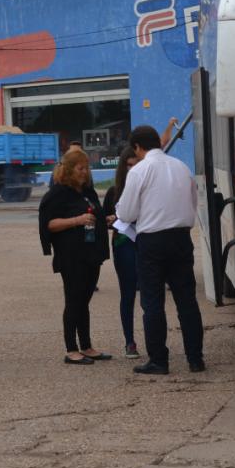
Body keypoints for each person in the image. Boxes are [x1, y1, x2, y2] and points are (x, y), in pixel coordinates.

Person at [115, 124, 204, 375]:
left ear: (137, 147)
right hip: (181, 238)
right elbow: (193, 203)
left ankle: (159, 360)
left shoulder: (139, 170)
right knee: (187, 300)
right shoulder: (181, 167)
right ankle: (195, 358)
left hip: (152, 241)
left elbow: (127, 212)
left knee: (153, 302)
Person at [38, 148, 111, 365]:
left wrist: (104, 219)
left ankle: (86, 345)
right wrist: (76, 221)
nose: (85, 172)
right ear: (69, 170)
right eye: (81, 168)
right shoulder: (57, 194)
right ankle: (71, 348)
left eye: (87, 168)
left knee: (84, 300)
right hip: (71, 256)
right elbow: (48, 225)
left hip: (92, 254)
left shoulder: (87, 191)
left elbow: (94, 214)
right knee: (74, 301)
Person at [102, 146, 141, 359]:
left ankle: (155, 340)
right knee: (127, 295)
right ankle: (129, 341)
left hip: (144, 242)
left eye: (136, 164)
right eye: (128, 165)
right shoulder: (114, 192)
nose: (132, 168)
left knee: (150, 294)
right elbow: (105, 218)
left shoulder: (147, 188)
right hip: (123, 243)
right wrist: (112, 220)